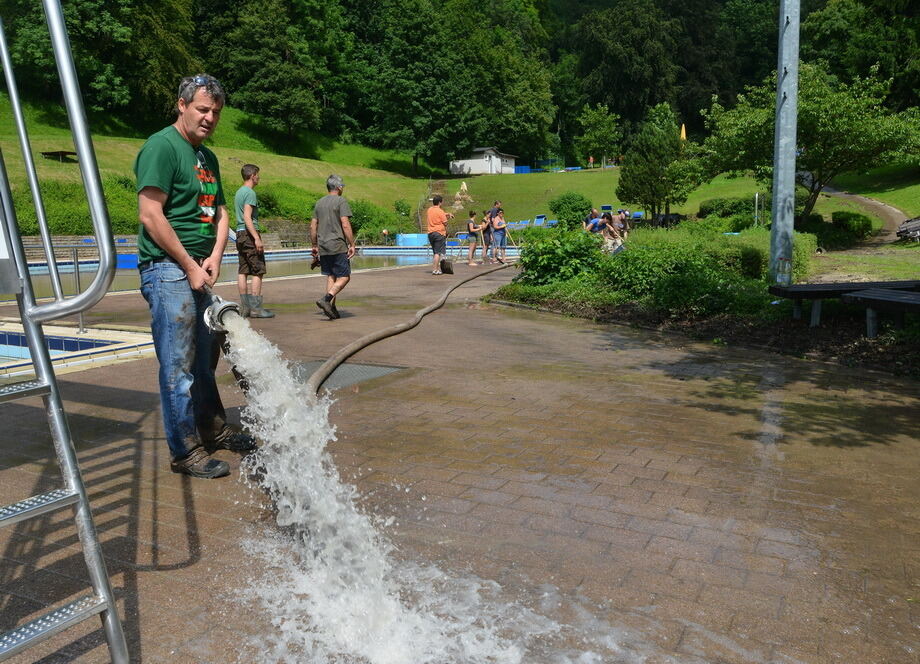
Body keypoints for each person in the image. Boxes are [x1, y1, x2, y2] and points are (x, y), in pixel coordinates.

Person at [135, 74, 255, 480]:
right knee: (178, 366)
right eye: (203, 109)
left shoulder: (207, 157)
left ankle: (214, 430)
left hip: (198, 266)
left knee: (204, 361)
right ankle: (185, 451)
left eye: (216, 113)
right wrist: (188, 263)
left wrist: (216, 255)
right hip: (168, 270)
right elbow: (150, 214)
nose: (209, 118)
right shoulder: (161, 147)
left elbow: (221, 212)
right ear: (182, 105)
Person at [311, 174, 355, 319]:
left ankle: (331, 307)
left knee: (331, 275)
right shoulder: (341, 201)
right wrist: (352, 243)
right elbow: (345, 224)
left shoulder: (319, 203)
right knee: (344, 277)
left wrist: (314, 245)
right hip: (337, 245)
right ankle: (326, 299)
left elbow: (313, 226)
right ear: (339, 187)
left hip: (323, 246)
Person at [234, 164, 274, 318]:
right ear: (252, 176)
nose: (259, 177)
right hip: (249, 234)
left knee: (243, 270)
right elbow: (247, 217)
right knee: (258, 270)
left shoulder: (239, 192)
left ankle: (245, 308)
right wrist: (256, 238)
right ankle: (256, 309)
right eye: (258, 174)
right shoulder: (250, 193)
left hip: (239, 233)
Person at [426, 194, 453, 274]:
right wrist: (447, 217)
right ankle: (435, 269)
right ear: (440, 203)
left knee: (435, 252)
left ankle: (437, 268)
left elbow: (437, 215)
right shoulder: (440, 211)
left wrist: (447, 214)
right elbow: (445, 223)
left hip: (431, 233)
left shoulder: (429, 210)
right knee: (438, 253)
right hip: (439, 233)